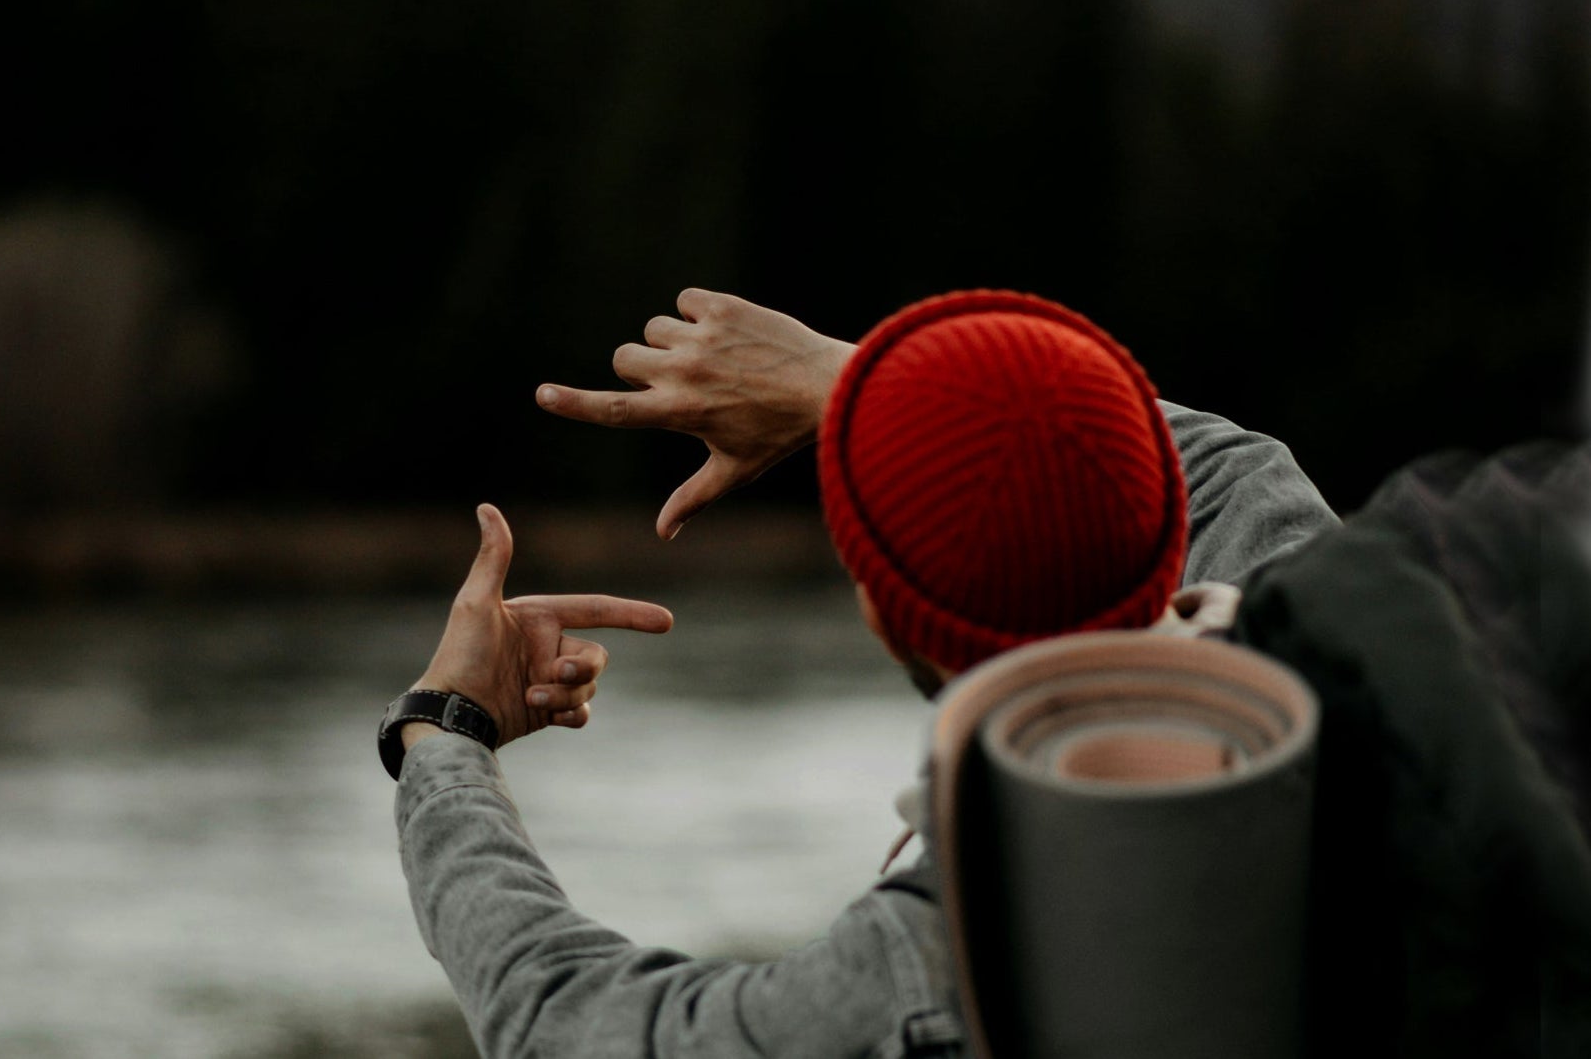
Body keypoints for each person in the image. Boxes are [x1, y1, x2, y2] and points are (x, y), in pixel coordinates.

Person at [376, 289, 1341, 1058]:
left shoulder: (928, 968)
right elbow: (1227, 465)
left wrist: (443, 730)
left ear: (885, 617)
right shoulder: (1328, 664)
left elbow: (564, 1022)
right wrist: (861, 389)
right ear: (1164, 523)